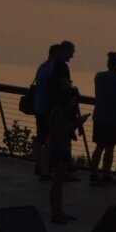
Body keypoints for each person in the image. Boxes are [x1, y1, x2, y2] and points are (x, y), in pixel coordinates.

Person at [46, 58, 82, 224]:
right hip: (58, 149)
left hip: (60, 148)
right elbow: (59, 130)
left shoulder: (58, 110)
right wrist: (76, 124)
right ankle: (56, 212)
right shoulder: (59, 111)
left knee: (59, 184)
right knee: (58, 183)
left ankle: (59, 211)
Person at [87, 52, 116, 184]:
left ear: (108, 63)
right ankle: (106, 175)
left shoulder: (99, 76)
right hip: (113, 119)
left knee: (98, 147)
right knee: (109, 148)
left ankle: (94, 173)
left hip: (99, 116)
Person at [33, 42, 73, 179]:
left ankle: (40, 166)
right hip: (50, 108)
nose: (72, 56)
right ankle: (48, 169)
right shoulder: (58, 66)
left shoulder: (42, 67)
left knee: (40, 138)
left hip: (39, 106)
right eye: (70, 52)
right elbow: (64, 86)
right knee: (50, 139)